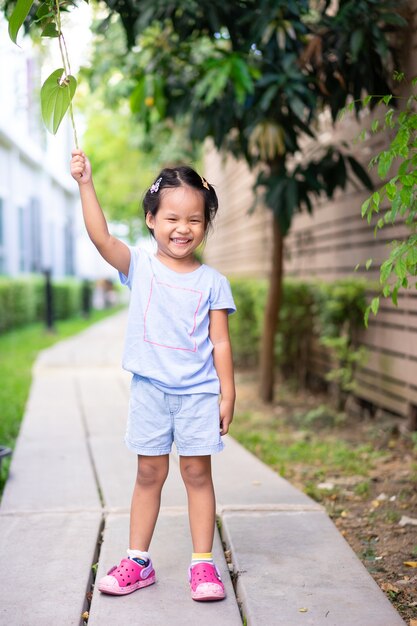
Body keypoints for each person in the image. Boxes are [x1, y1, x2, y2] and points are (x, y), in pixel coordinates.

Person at [70, 150, 236, 602]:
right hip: (150, 393)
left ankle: (203, 565)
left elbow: (220, 342)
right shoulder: (139, 266)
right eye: (172, 218)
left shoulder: (213, 282)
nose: (183, 228)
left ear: (205, 225)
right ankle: (138, 561)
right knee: (148, 473)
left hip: (199, 394)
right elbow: (102, 237)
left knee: (197, 473)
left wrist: (228, 393)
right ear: (150, 219)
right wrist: (86, 183)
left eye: (195, 220)